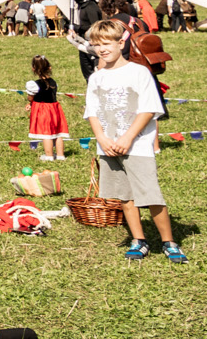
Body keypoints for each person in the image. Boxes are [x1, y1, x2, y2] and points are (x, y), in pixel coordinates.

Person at [83, 22, 184, 262]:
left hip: (136, 145)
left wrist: (128, 138)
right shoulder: (96, 78)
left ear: (121, 43)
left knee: (150, 195)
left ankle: (169, 242)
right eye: (96, 45)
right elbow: (92, 112)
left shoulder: (139, 73)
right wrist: (102, 139)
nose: (101, 49)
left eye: (106, 43)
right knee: (125, 196)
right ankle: (139, 240)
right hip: (108, 146)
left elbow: (149, 109)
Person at [24, 55, 70, 159]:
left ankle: (49, 156)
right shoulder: (54, 82)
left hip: (43, 110)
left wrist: (30, 101)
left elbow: (31, 97)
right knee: (58, 134)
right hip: (55, 109)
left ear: (33, 69)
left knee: (46, 134)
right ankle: (60, 155)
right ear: (49, 67)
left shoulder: (34, 84)